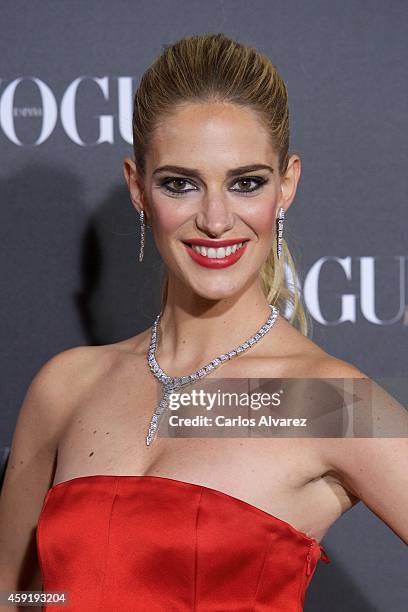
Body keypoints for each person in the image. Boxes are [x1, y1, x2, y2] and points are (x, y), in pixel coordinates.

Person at [0, 32, 406, 612]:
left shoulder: (325, 401)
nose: (216, 220)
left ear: (286, 184)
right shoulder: (66, 388)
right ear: (138, 187)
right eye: (180, 183)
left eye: (246, 183)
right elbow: (17, 594)